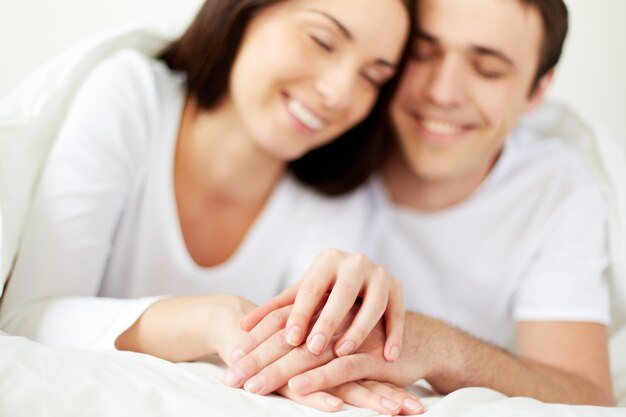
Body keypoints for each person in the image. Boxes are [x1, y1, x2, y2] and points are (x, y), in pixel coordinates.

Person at [0, 0, 421, 414]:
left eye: (372, 76)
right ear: (244, 12)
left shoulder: (338, 198)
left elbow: (307, 363)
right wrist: (211, 319)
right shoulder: (132, 95)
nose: (338, 93)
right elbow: (23, 319)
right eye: (321, 40)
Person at [229, 0, 615, 407]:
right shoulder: (318, 127)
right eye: (421, 54)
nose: (441, 93)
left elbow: (587, 398)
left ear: (537, 91)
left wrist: (434, 348)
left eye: (488, 70)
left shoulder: (554, 189)